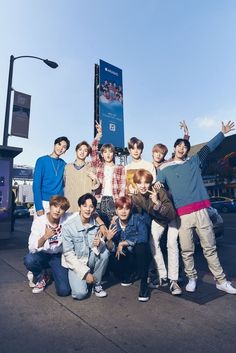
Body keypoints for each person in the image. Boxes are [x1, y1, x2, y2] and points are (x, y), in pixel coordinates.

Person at [157, 121, 236, 294]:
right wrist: (156, 186)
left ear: (187, 150)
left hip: (201, 211)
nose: (181, 148)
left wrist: (221, 133)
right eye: (179, 145)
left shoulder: (194, 162)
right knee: (186, 249)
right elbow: (159, 183)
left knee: (210, 246)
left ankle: (221, 280)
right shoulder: (164, 168)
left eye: (185, 146)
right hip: (183, 214)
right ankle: (191, 277)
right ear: (174, 147)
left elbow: (209, 147)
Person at [131, 169, 182, 295]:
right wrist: (130, 197)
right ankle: (162, 276)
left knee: (171, 244)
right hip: (158, 220)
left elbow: (171, 214)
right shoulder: (136, 196)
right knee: (152, 242)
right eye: (139, 183)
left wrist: (157, 202)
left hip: (172, 219)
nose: (143, 186)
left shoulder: (159, 190)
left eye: (146, 182)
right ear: (135, 184)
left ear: (150, 183)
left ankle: (174, 280)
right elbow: (136, 212)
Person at [62, 193, 110, 300]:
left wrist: (100, 243)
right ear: (79, 207)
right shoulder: (68, 227)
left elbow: (99, 248)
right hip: (77, 263)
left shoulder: (97, 225)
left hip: (91, 259)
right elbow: (69, 255)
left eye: (91, 206)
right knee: (80, 294)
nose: (88, 209)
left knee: (105, 252)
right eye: (84, 206)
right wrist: (84, 273)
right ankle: (88, 280)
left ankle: (97, 284)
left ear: (94, 209)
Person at [24, 195, 71, 296]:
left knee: (64, 291)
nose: (57, 210)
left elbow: (85, 213)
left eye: (61, 208)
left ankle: (50, 272)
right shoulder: (39, 222)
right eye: (55, 206)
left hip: (58, 256)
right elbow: (32, 248)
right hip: (43, 254)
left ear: (64, 211)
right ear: (50, 206)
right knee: (29, 259)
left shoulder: (66, 219)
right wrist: (45, 237)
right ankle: (41, 276)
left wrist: (101, 224)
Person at [106, 196, 150, 302]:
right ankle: (130, 274)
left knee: (141, 247)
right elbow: (111, 249)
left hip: (140, 255)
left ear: (130, 210)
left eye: (127, 208)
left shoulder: (138, 219)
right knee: (113, 260)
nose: (123, 212)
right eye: (120, 208)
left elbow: (144, 237)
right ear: (116, 210)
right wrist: (109, 240)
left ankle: (144, 284)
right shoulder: (114, 225)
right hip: (128, 256)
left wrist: (124, 242)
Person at [91, 121, 126, 226]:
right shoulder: (99, 165)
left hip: (113, 199)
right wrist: (99, 135)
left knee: (113, 228)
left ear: (113, 154)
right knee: (99, 228)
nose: (108, 154)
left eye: (110, 152)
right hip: (99, 200)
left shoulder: (120, 168)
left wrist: (119, 204)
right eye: (105, 152)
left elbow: (122, 188)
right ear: (102, 154)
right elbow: (93, 150)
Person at [33, 136, 70, 217]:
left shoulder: (64, 165)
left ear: (65, 151)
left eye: (64, 147)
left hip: (58, 204)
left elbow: (65, 185)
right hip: (43, 202)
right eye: (59, 144)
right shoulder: (41, 161)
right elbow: (36, 185)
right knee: (40, 229)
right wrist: (39, 207)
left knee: (56, 229)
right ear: (54, 145)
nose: (60, 148)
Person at [64, 140, 100, 212]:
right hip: (70, 204)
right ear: (76, 151)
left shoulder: (91, 168)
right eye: (80, 149)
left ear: (87, 154)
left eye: (85, 151)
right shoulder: (67, 167)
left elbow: (94, 187)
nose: (82, 152)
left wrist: (95, 179)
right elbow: (64, 183)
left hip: (84, 205)